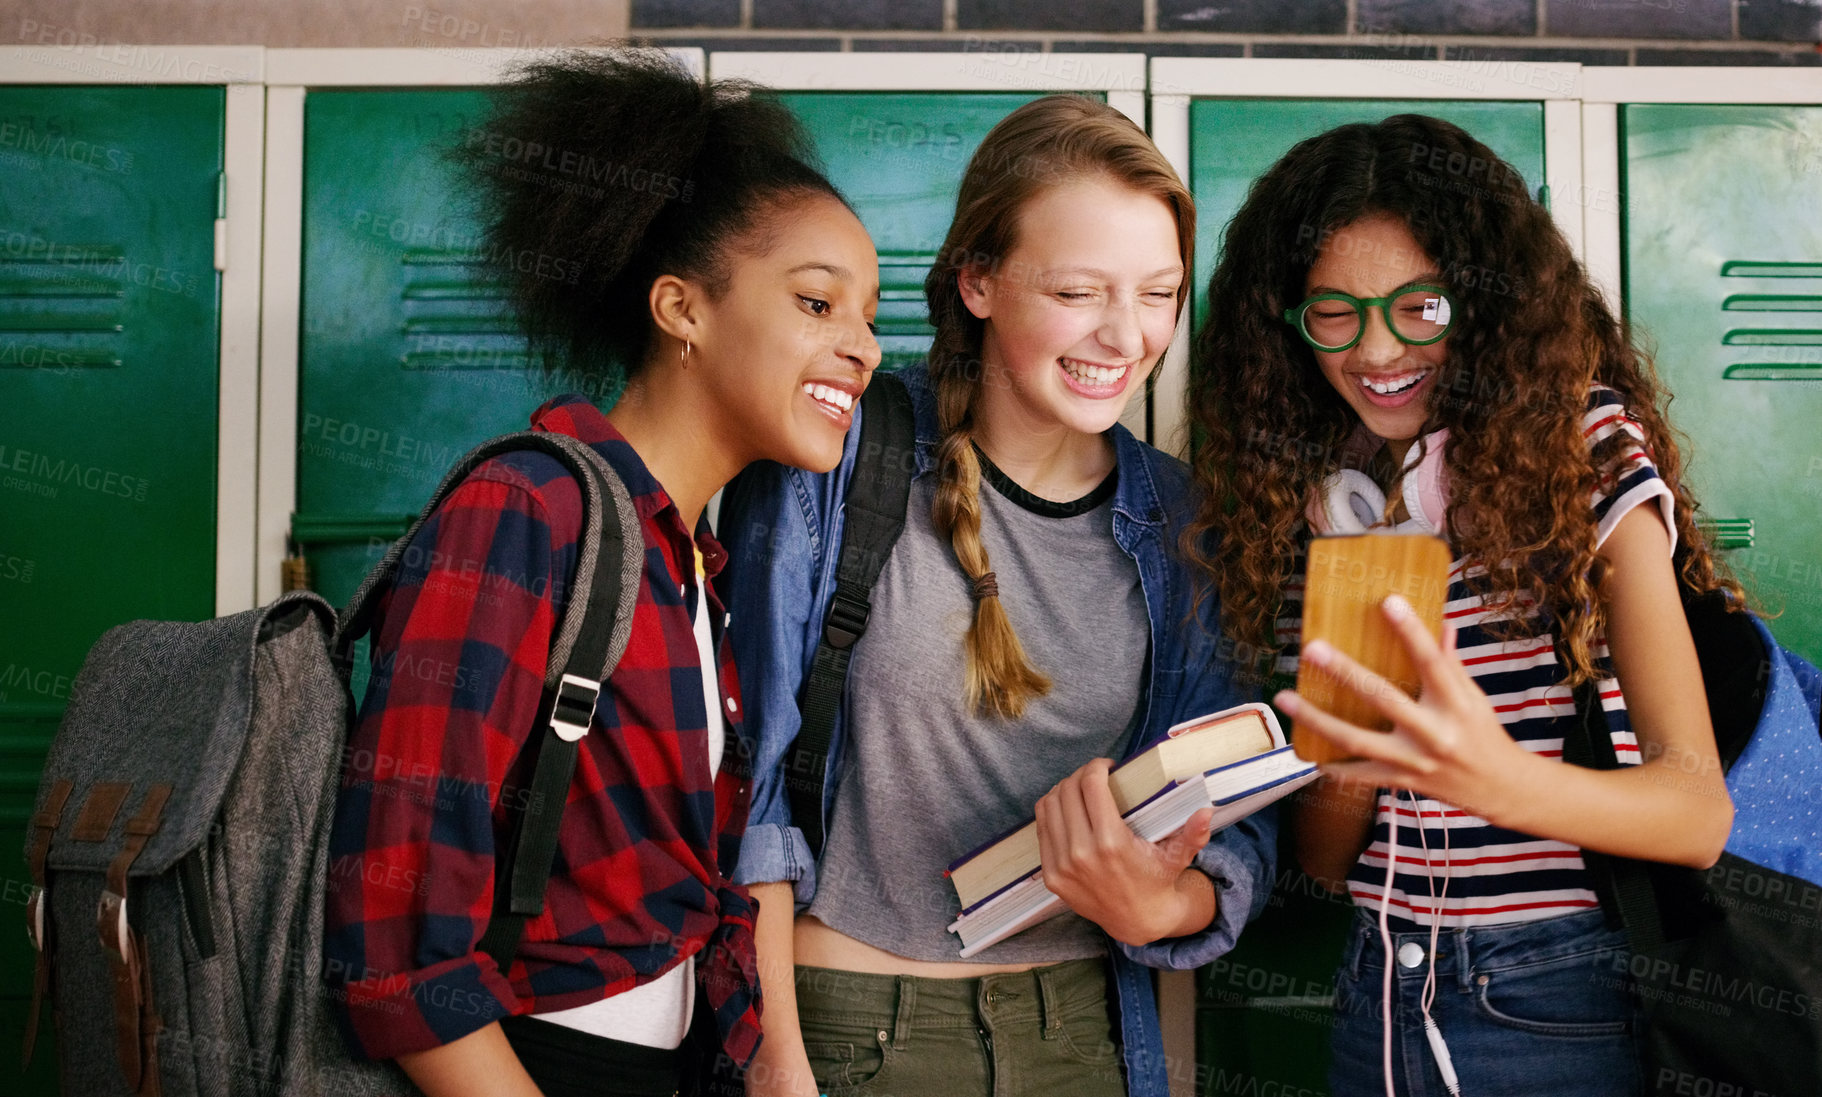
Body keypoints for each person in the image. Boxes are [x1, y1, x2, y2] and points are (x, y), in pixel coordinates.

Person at [322, 51, 881, 1097]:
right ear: (682, 309)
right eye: (818, 303)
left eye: (867, 313)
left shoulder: (688, 562)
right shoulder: (530, 514)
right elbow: (398, 939)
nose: (863, 346)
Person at [718, 94, 1275, 1097]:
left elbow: (1233, 817)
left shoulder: (1184, 521)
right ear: (978, 280)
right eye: (1078, 290)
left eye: (1157, 292)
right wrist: (775, 1054)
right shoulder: (834, 458)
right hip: (848, 1027)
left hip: (1086, 1033)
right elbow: (743, 773)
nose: (1125, 332)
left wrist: (1169, 903)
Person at [1184, 114, 1739, 1096]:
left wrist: (1479, 769)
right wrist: (1348, 759)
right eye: (1333, 314)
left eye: (1419, 308)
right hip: (1374, 984)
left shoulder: (1582, 453)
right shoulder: (1328, 502)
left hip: (1549, 992)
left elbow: (1694, 809)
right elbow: (1323, 858)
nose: (1376, 347)